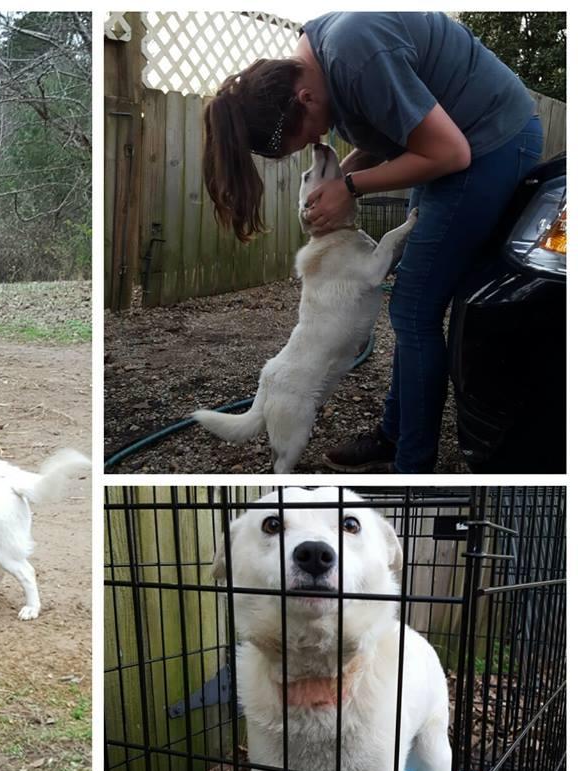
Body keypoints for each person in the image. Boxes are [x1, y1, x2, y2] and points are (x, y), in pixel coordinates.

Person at [203, 12, 543, 473]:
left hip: (488, 141)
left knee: (413, 311)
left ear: (303, 97)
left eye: (309, 134)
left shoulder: (353, 52)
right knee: (410, 303)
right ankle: (394, 433)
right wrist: (345, 177)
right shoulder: (324, 61)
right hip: (450, 145)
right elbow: (392, 130)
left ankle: (412, 464)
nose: (320, 138)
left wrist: (351, 186)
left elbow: (450, 152)